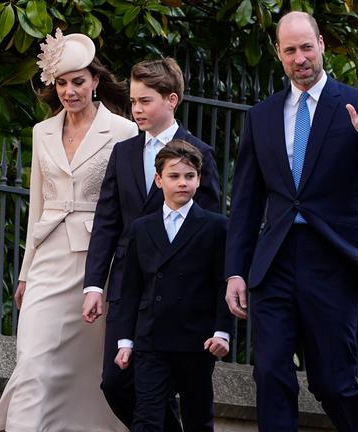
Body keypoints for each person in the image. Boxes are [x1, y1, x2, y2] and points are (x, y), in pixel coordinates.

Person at [224, 11, 358, 431]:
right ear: (278, 54)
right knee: (270, 374)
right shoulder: (262, 116)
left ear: (322, 44)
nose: (300, 58)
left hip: (332, 260)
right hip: (275, 263)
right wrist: (236, 270)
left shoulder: (354, 104)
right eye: (290, 50)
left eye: (306, 47)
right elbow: (247, 202)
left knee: (333, 381)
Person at [0, 28, 137, 432]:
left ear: (95, 80)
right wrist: (24, 272)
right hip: (48, 257)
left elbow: (128, 209)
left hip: (97, 263)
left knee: (86, 369)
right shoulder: (42, 132)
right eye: (61, 83)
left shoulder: (123, 131)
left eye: (77, 81)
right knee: (32, 357)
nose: (69, 91)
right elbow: (37, 204)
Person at [81, 57, 221, 430]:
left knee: (178, 392)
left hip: (180, 296)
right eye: (132, 101)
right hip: (129, 290)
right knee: (114, 383)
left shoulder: (200, 154)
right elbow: (107, 221)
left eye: (145, 101)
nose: (135, 109)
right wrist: (94, 283)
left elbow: (207, 231)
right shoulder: (124, 152)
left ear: (171, 99)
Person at [112, 140, 232, 431]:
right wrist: (125, 341)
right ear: (158, 179)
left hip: (197, 340)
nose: (182, 183)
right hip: (151, 338)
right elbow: (130, 289)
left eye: (189, 176)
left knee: (198, 419)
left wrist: (222, 332)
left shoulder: (216, 226)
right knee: (147, 418)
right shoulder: (142, 228)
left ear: (199, 179)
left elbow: (224, 284)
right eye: (174, 176)